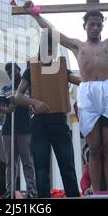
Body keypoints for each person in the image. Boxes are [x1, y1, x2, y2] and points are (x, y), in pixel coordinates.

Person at [23, 0, 108, 194]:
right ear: (85, 26)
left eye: (99, 24)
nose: (96, 28)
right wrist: (35, 14)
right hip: (88, 93)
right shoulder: (77, 46)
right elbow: (53, 33)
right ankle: (98, 191)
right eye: (92, 24)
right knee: (95, 147)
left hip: (107, 92)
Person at [14, 34, 81, 198]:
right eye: (46, 49)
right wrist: (34, 102)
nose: (49, 53)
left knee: (67, 165)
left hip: (59, 121)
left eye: (52, 50)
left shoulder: (61, 68)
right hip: (39, 123)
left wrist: (93, 76)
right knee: (41, 166)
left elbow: (79, 80)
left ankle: (73, 196)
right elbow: (17, 96)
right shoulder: (31, 70)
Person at [0, 62, 37, 199]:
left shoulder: (27, 86)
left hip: (24, 127)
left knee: (27, 160)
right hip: (8, 128)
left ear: (19, 70)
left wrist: (20, 100)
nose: (10, 74)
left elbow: (32, 104)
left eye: (13, 70)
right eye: (8, 72)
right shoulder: (5, 88)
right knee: (10, 162)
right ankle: (10, 191)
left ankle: (31, 190)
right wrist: (7, 110)